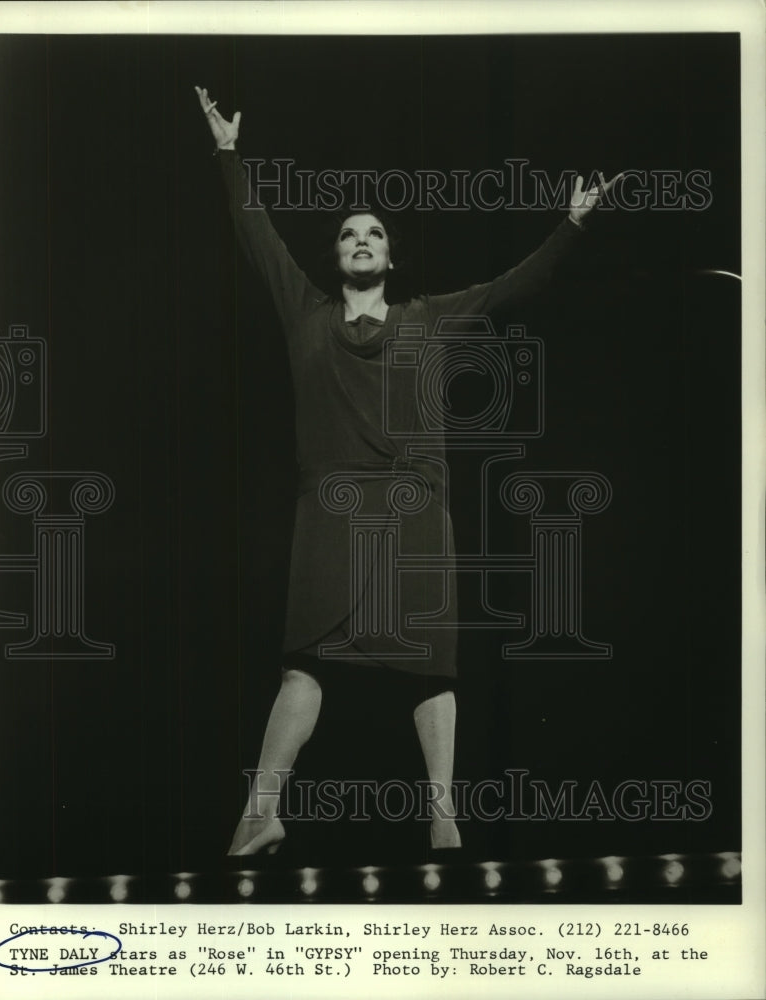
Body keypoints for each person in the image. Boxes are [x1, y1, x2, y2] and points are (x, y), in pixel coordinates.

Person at [195, 86, 619, 857]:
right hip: (328, 510)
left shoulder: (428, 318)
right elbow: (255, 233)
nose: (360, 239)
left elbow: (512, 288)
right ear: (338, 256)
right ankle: (260, 813)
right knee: (304, 666)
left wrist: (572, 224)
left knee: (428, 668)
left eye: (374, 233)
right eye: (349, 233)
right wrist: (228, 155)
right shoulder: (307, 316)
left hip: (415, 509)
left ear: (390, 256)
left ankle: (443, 815)